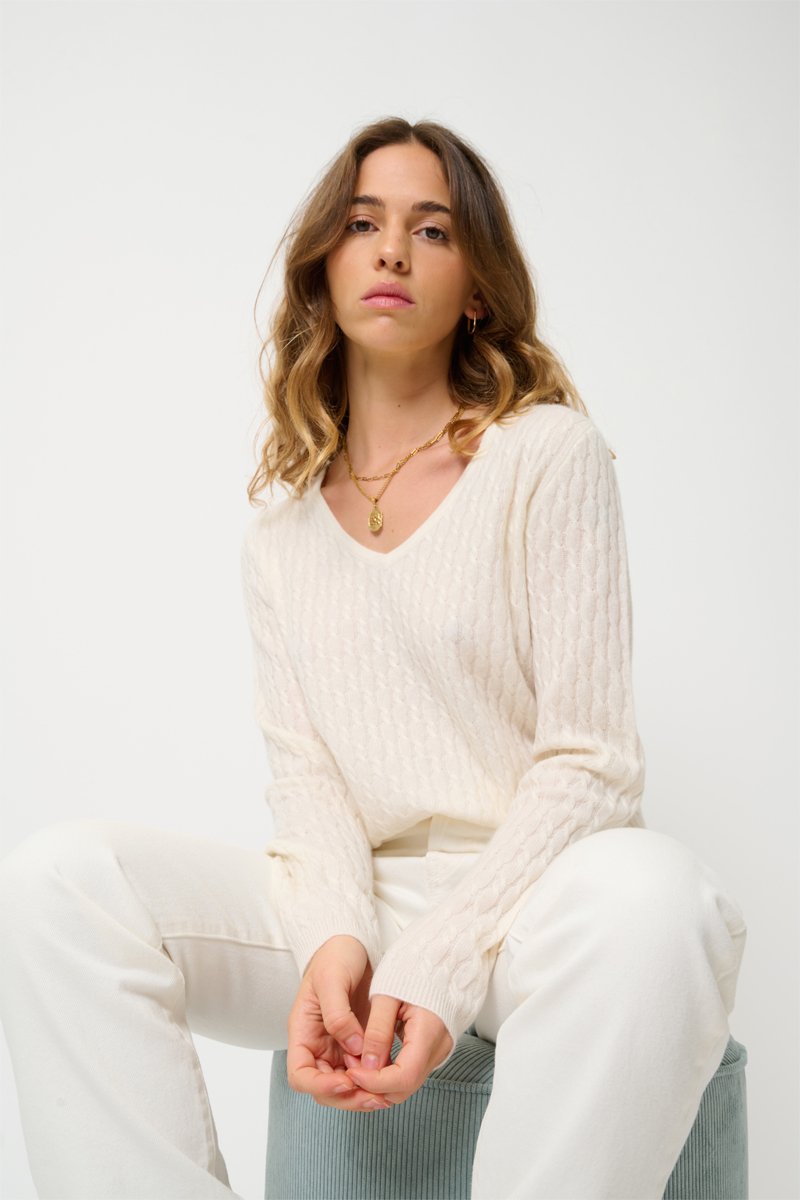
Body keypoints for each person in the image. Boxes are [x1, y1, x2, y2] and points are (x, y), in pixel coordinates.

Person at [0, 116, 747, 1200]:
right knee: (61, 885)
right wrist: (332, 939)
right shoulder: (279, 533)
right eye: (362, 224)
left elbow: (592, 766)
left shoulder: (547, 455)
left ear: (476, 287)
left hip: (528, 903)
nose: (392, 249)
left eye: (431, 229)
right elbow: (308, 789)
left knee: (658, 897)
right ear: (324, 268)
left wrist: (440, 960)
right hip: (356, 896)